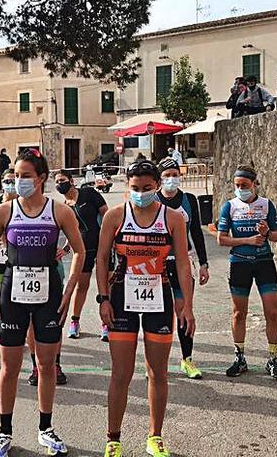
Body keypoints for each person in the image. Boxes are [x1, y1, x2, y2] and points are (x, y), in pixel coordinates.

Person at [0, 148, 85, 457]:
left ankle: (45, 427)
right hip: (12, 294)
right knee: (9, 367)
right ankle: (4, 432)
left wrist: (68, 293)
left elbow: (80, 250)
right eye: (15, 175)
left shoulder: (60, 211)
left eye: (25, 176)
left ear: (41, 178)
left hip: (48, 296)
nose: (19, 181)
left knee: (46, 365)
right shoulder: (3, 211)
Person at [96, 160, 194, 457]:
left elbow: (182, 262)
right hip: (122, 295)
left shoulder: (174, 218)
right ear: (128, 187)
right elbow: (101, 259)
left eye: (147, 188)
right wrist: (103, 299)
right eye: (135, 188)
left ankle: (155, 436)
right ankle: (113, 439)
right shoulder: (115, 216)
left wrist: (187, 304)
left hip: (159, 296)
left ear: (157, 187)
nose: (141, 194)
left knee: (158, 372)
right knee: (121, 373)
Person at [216, 166, 277, 381]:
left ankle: (273, 359)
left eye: (244, 186)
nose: (240, 189)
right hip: (240, 263)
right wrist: (247, 240)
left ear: (254, 184)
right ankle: (240, 357)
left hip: (264, 263)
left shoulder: (266, 205)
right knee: (239, 313)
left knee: (272, 313)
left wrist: (266, 233)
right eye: (236, 186)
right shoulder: (230, 206)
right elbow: (221, 239)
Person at [157, 158, 208, 379]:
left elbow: (196, 231)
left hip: (182, 260)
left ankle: (187, 360)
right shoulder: (153, 200)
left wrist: (204, 264)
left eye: (174, 174)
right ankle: (157, 363)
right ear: (160, 178)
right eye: (166, 175)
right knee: (158, 315)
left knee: (184, 311)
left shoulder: (189, 200)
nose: (171, 179)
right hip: (157, 263)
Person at [53, 170, 109, 340]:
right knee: (81, 286)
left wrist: (111, 241)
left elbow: (107, 215)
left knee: (105, 287)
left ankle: (106, 324)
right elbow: (73, 233)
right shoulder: (64, 206)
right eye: (56, 181)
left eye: (62, 180)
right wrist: (65, 249)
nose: (59, 184)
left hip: (101, 247)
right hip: (83, 251)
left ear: (71, 181)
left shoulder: (88, 193)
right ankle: (75, 321)